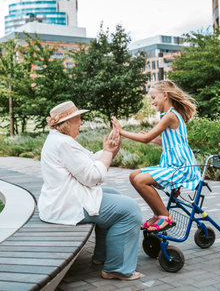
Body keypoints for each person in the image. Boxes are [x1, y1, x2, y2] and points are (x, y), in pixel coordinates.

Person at [38, 101, 143, 281]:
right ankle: (117, 268)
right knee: (130, 210)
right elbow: (92, 177)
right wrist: (107, 153)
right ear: (67, 123)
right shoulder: (63, 143)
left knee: (115, 195)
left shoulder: (60, 140)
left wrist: (110, 151)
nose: (81, 123)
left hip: (64, 199)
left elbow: (88, 163)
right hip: (67, 205)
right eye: (78, 119)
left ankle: (101, 256)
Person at [111, 80, 201, 232]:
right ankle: (158, 214)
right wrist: (155, 140)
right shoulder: (168, 115)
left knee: (140, 180)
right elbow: (172, 142)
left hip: (181, 168)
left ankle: (165, 216)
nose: (152, 102)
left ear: (165, 95)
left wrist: (121, 131)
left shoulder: (170, 116)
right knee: (133, 175)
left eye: (154, 98)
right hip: (172, 165)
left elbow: (144, 140)